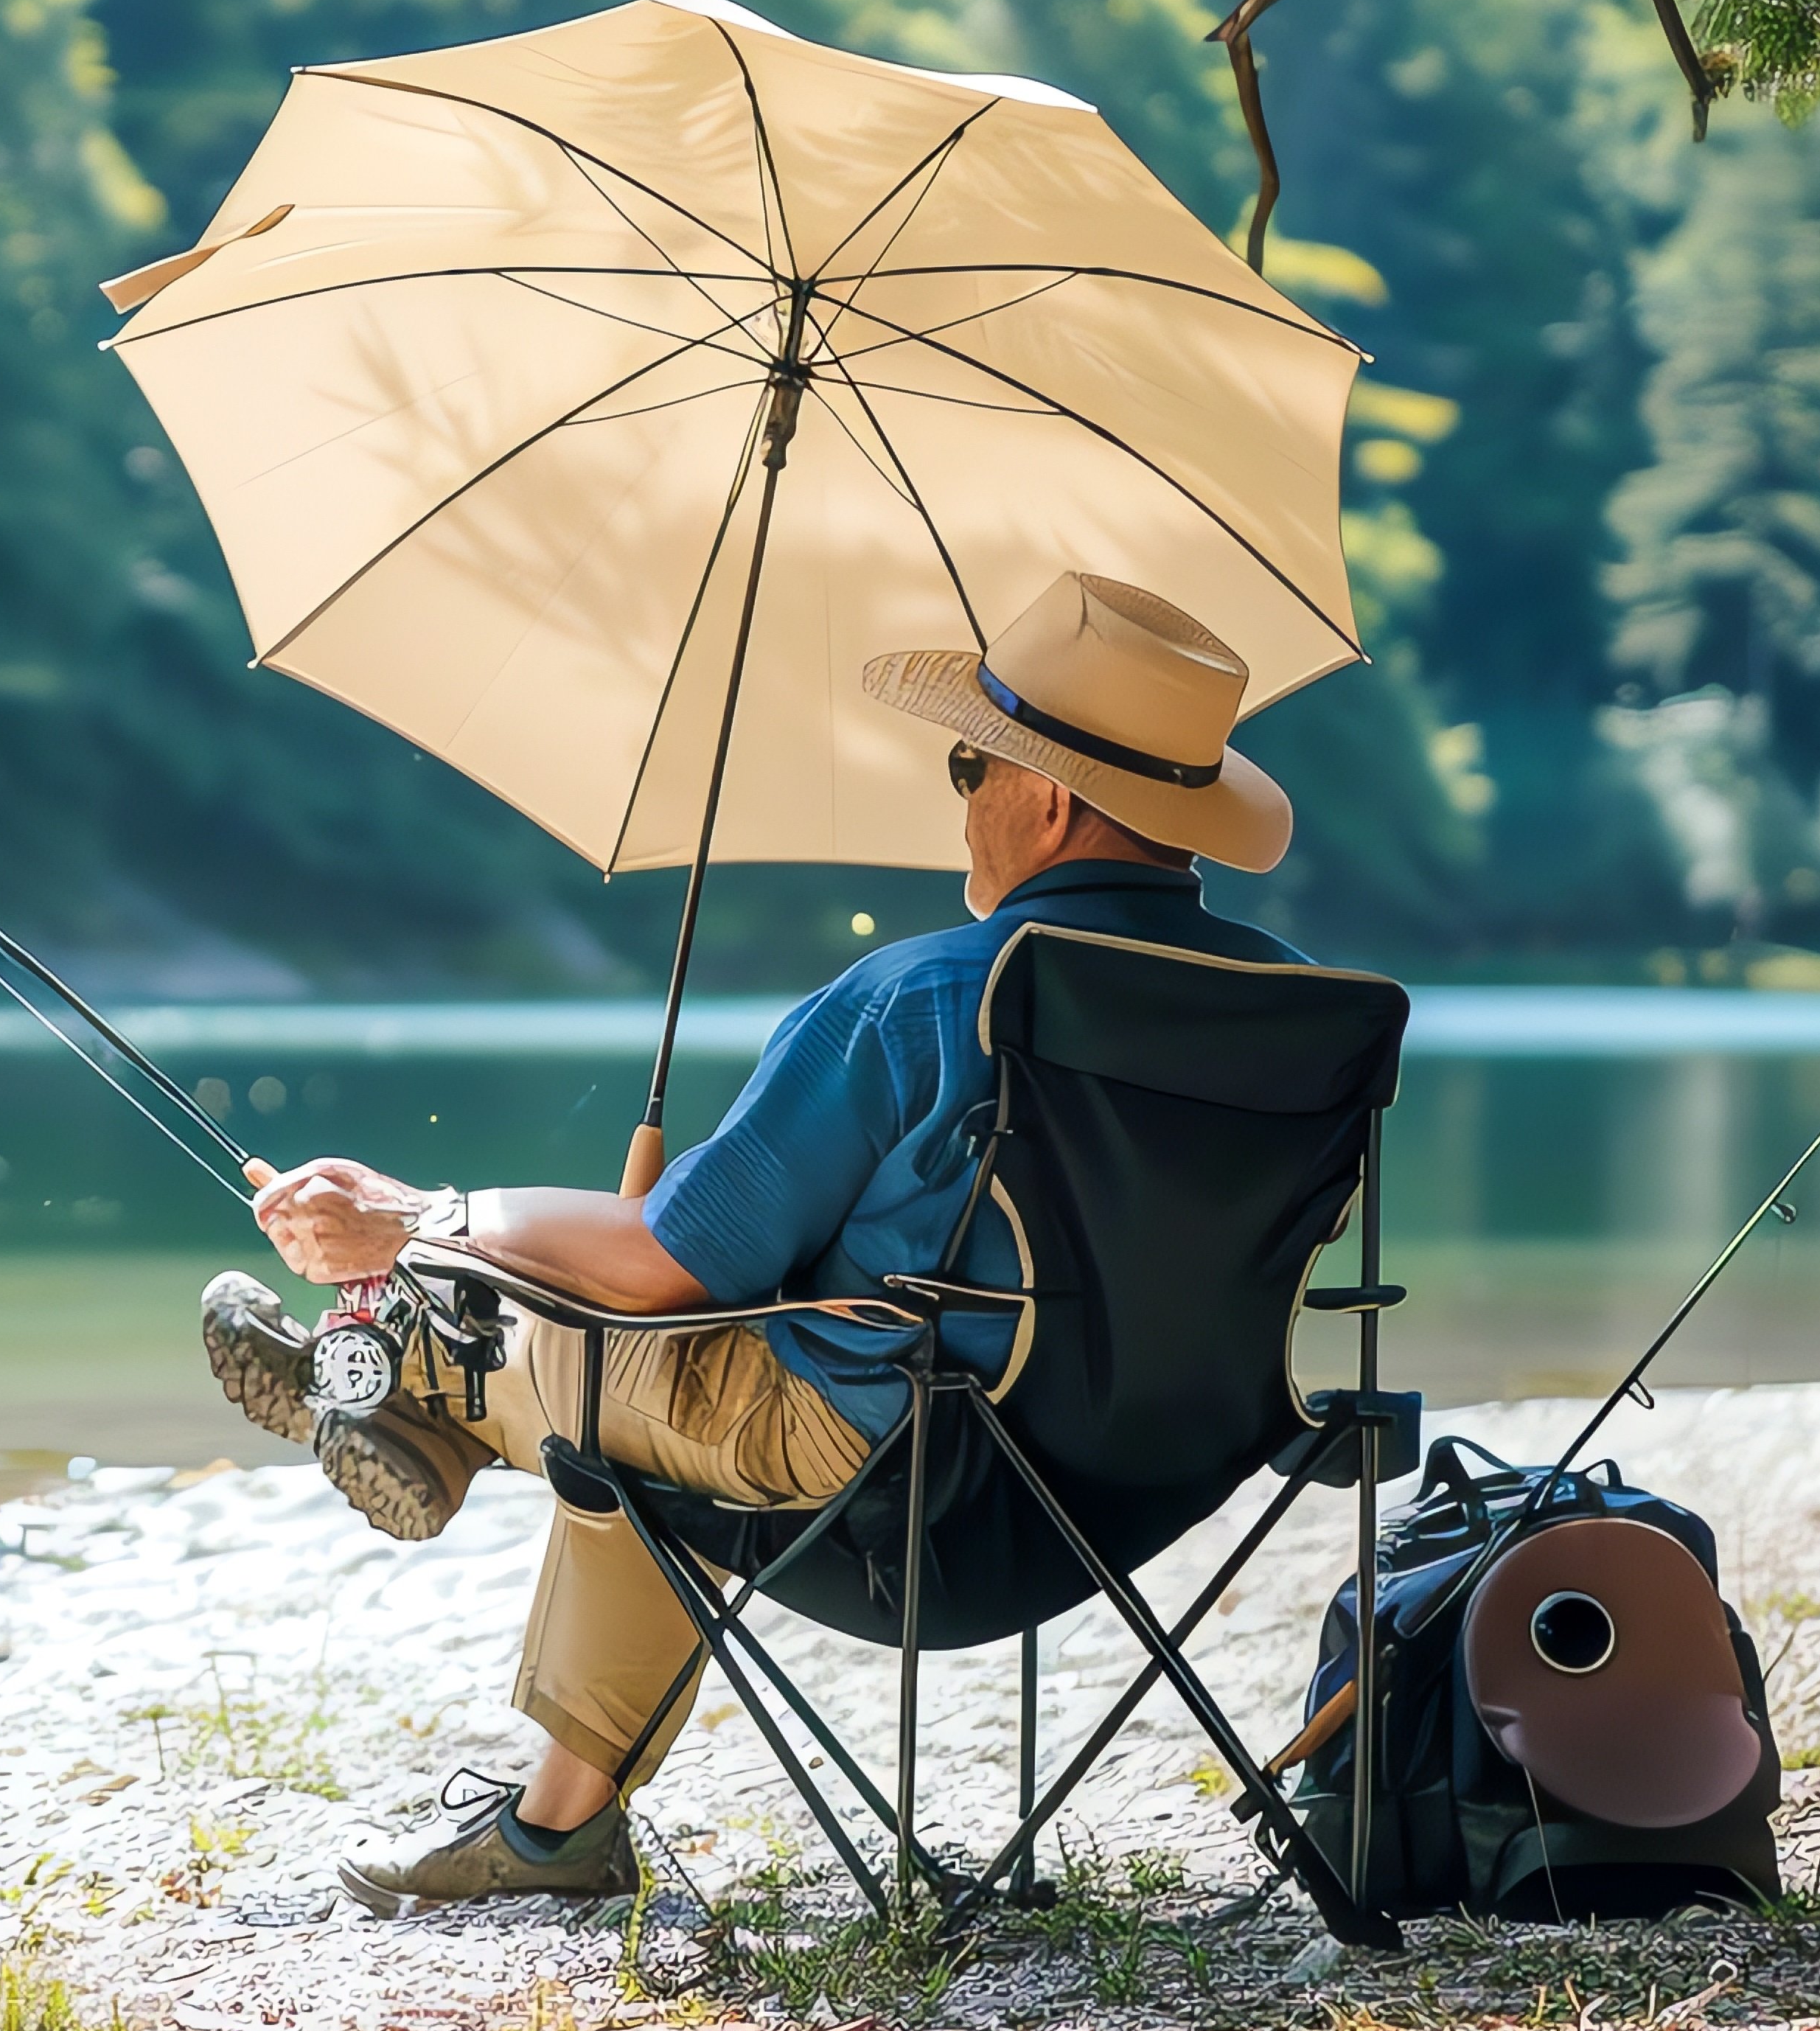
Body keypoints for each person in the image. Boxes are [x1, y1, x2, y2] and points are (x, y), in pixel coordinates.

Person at [195, 570, 1314, 1915]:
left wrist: (413, 1219)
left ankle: (404, 1382)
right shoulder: (1295, 1014)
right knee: (621, 1368)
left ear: (1052, 793)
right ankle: (533, 1770)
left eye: (971, 765)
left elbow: (677, 1262)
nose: (959, 799)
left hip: (906, 1479)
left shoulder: (927, 997)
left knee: (583, 1338)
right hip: (1150, 1481)